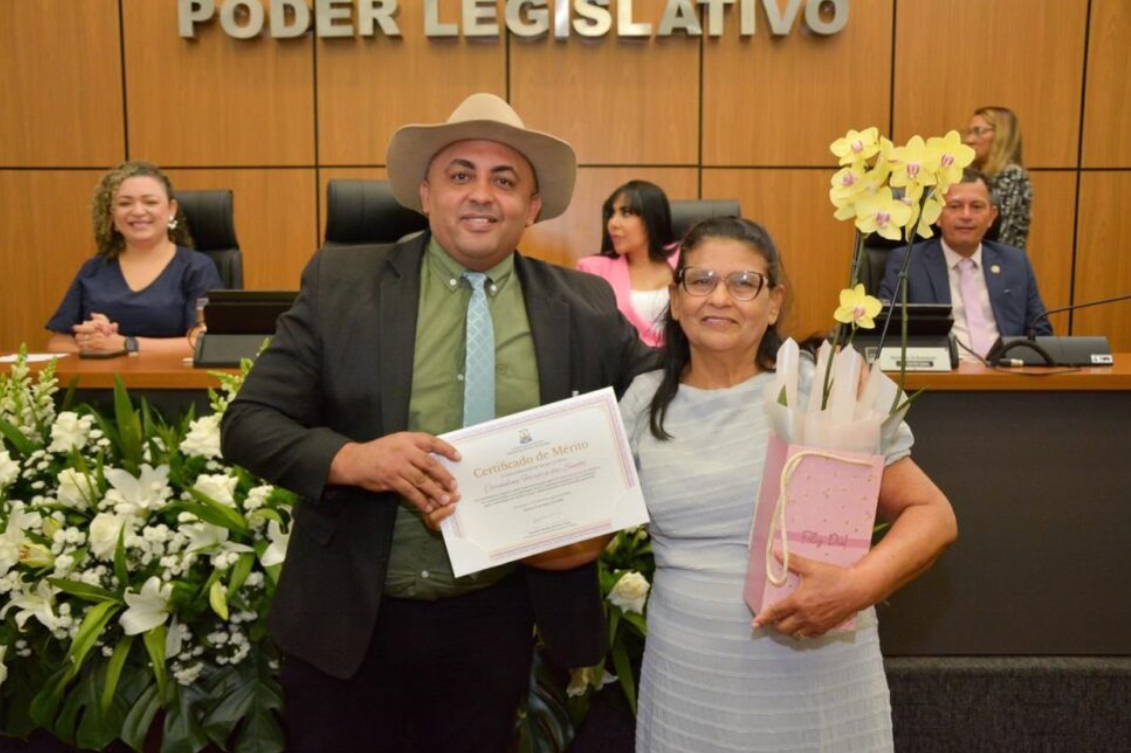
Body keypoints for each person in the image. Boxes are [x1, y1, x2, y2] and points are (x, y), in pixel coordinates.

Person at [219, 93, 654, 753]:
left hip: (497, 622)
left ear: (532, 207)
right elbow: (248, 421)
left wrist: (602, 511)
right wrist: (351, 460)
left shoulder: (584, 305)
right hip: (350, 621)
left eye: (504, 180)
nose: (481, 195)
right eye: (460, 175)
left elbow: (664, 401)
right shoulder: (343, 282)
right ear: (425, 194)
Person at [617, 216, 957, 753]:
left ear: (773, 302)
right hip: (690, 680)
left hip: (818, 677)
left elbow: (933, 516)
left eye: (744, 282)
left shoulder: (826, 385)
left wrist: (858, 586)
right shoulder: (640, 400)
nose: (720, 298)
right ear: (676, 299)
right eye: (700, 280)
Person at [45, 161, 222, 357]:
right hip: (103, 383)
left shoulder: (196, 268)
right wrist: (91, 342)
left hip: (170, 383)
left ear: (171, 209)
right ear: (112, 215)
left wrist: (126, 344)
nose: (138, 211)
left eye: (150, 202)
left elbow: (203, 343)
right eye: (124, 203)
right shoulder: (93, 269)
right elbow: (58, 343)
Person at [878, 169, 1052, 361]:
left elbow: (1040, 333)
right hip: (942, 381)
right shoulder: (907, 263)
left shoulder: (1015, 262)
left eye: (977, 206)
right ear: (935, 213)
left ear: (992, 216)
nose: (966, 215)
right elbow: (888, 332)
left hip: (1007, 377)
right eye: (955, 206)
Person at [576, 180, 678, 347]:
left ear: (652, 217)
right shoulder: (592, 269)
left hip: (685, 365)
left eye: (626, 213)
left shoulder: (686, 259)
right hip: (626, 369)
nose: (613, 224)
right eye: (611, 214)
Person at [963, 106, 1032, 249]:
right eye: (969, 132)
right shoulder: (976, 176)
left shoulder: (1012, 176)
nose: (969, 140)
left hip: (997, 265)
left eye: (979, 131)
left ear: (1003, 134)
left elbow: (1001, 235)